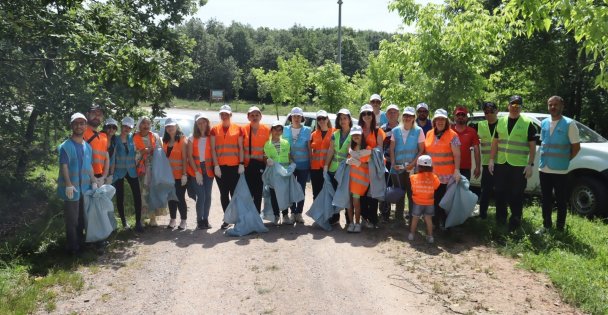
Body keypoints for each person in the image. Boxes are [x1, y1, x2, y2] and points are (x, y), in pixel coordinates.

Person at [489, 95, 537, 232]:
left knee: (516, 194)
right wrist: (492, 159)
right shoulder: (501, 122)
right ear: (508, 106)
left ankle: (515, 221)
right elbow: (495, 143)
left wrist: (530, 164)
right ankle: (500, 220)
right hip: (501, 163)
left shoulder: (528, 124)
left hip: (519, 166)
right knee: (499, 192)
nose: (515, 108)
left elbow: (532, 147)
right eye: (513, 105)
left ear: (521, 107)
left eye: (518, 106)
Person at [537, 96, 580, 233]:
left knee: (561, 200)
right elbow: (544, 143)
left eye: (555, 105)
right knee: (546, 199)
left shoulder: (569, 124)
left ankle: (560, 228)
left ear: (562, 106)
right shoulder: (544, 123)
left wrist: (565, 160)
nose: (553, 107)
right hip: (544, 167)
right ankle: (546, 225)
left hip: (560, 169)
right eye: (550, 105)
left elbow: (576, 147)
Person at [57, 113, 96, 255]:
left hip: (84, 188)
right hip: (71, 189)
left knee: (81, 218)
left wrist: (94, 181)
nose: (79, 126)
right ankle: (72, 248)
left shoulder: (87, 147)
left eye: (82, 123)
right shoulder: (65, 146)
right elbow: (64, 166)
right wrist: (68, 184)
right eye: (76, 123)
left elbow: (89, 166)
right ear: (72, 126)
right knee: (72, 220)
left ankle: (80, 242)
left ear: (86, 126)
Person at [425, 108, 461, 230]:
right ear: (434, 121)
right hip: (432, 175)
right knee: (433, 200)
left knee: (444, 201)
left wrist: (457, 170)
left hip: (446, 176)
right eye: (438, 119)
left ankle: (444, 223)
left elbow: (457, 154)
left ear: (447, 121)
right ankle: (435, 223)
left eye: (443, 119)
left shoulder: (453, 135)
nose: (440, 121)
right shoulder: (429, 133)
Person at [211, 104, 245, 229]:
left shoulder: (238, 129)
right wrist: (216, 165)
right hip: (220, 168)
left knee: (234, 194)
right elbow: (213, 149)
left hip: (234, 167)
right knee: (223, 194)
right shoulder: (214, 129)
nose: (224, 116)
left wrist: (241, 163)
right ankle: (227, 218)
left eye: (226, 114)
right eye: (222, 114)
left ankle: (236, 218)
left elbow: (241, 147)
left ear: (231, 115)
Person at [389, 106, 425, 222]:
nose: (407, 118)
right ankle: (398, 219)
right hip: (397, 168)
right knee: (399, 194)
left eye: (410, 116)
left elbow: (421, 150)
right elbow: (392, 148)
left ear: (414, 118)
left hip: (412, 169)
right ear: (402, 117)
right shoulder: (395, 130)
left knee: (411, 194)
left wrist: (413, 164)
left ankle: (412, 219)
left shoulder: (419, 131)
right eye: (405, 115)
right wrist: (393, 162)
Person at [109, 117, 143, 232]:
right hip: (119, 172)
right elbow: (112, 156)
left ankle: (138, 222)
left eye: (129, 127)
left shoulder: (132, 138)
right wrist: (111, 173)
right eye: (125, 126)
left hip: (132, 171)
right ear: (121, 126)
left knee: (137, 195)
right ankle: (124, 222)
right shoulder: (115, 139)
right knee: (120, 197)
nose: (126, 129)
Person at [358, 104, 386, 228]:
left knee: (373, 193)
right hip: (360, 166)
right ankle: (364, 218)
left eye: (369, 113)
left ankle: (373, 219)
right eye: (364, 114)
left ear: (372, 115)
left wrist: (370, 151)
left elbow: (380, 148)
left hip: (373, 166)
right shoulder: (357, 129)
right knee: (362, 193)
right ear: (361, 116)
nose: (367, 116)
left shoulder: (377, 130)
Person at [324, 108, 353, 225]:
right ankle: (335, 216)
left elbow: (351, 152)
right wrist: (326, 166)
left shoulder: (353, 134)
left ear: (349, 120)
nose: (343, 121)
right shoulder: (335, 134)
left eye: (345, 118)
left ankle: (348, 218)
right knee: (334, 194)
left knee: (345, 194)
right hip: (333, 169)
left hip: (346, 170)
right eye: (341, 119)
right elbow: (331, 150)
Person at [133, 116, 163, 227]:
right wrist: (142, 152)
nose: (146, 126)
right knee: (142, 194)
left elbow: (161, 152)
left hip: (154, 169)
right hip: (141, 170)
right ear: (139, 125)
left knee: (153, 193)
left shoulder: (155, 136)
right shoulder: (134, 137)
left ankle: (153, 218)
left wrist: (154, 152)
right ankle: (141, 218)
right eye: (143, 123)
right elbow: (132, 154)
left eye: (148, 123)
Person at [283, 107, 311, 224]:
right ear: (291, 117)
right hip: (289, 165)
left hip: (303, 165)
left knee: (300, 189)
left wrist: (311, 163)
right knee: (290, 188)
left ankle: (299, 213)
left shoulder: (307, 130)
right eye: (294, 116)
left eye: (298, 116)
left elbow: (309, 149)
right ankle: (292, 212)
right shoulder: (285, 130)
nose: (296, 118)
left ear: (302, 118)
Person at [187, 113, 215, 230]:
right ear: (196, 125)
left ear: (207, 123)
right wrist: (196, 172)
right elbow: (189, 156)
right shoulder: (191, 138)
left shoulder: (211, 137)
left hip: (208, 170)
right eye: (199, 123)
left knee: (208, 196)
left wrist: (217, 166)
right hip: (196, 170)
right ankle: (199, 220)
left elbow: (214, 152)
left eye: (204, 122)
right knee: (201, 196)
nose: (202, 125)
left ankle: (205, 219)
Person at [264, 121, 294, 225]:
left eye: (279, 129)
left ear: (282, 131)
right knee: (274, 194)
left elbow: (289, 157)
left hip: (284, 173)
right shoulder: (267, 144)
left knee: (284, 194)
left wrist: (292, 165)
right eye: (275, 129)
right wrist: (267, 160)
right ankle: (276, 215)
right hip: (273, 173)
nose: (277, 131)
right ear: (271, 130)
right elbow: (265, 157)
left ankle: (285, 215)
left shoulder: (286, 143)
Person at [162, 118, 189, 230]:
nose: (170, 128)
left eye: (172, 126)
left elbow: (184, 158)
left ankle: (183, 221)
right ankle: (172, 219)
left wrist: (184, 174)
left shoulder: (182, 139)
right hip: (168, 176)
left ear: (176, 126)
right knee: (170, 198)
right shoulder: (165, 141)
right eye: (168, 126)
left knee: (179, 198)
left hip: (179, 176)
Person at [243, 106, 270, 213]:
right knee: (248, 192)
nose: (254, 117)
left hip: (260, 165)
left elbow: (268, 148)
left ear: (261, 116)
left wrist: (268, 161)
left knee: (258, 192)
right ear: (248, 117)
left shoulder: (267, 130)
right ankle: (248, 216)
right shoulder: (243, 129)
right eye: (252, 115)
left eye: (257, 115)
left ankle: (256, 215)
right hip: (247, 165)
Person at [474, 102, 499, 219]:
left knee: (501, 191)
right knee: (485, 190)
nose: (488, 114)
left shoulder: (502, 124)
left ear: (496, 111)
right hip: (486, 162)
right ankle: (482, 215)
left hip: (501, 162)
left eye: (491, 111)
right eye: (486, 112)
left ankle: (500, 217)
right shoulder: (480, 124)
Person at [408, 155, 440, 244]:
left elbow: (412, 186)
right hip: (429, 202)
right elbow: (436, 186)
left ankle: (411, 234)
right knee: (428, 219)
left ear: (418, 166)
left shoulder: (414, 177)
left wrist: (411, 171)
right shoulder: (434, 177)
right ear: (431, 166)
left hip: (417, 202)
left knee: (415, 218)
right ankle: (430, 237)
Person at [346, 125, 372, 233]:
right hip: (349, 181)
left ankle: (357, 223)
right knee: (349, 203)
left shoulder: (368, 149)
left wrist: (359, 163)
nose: (356, 136)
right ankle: (351, 223)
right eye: (353, 135)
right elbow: (347, 162)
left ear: (362, 135)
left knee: (356, 203)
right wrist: (347, 162)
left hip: (359, 182)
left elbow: (370, 166)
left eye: (358, 134)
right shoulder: (350, 149)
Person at [380, 104, 402, 222]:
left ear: (398, 114)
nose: (392, 114)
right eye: (390, 112)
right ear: (386, 115)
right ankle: (385, 214)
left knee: (398, 188)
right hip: (385, 163)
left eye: (394, 112)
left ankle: (399, 216)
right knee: (385, 187)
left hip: (399, 164)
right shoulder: (382, 129)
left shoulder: (403, 128)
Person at [451, 106, 481, 181]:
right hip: (450, 167)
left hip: (466, 168)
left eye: (463, 115)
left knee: (464, 191)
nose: (460, 117)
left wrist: (477, 167)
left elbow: (476, 150)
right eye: (458, 115)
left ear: (466, 117)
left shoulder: (472, 132)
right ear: (454, 117)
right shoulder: (449, 130)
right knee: (450, 191)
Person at [84, 103, 110, 187]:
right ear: (87, 114)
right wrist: (93, 178)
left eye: (100, 115)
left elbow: (106, 158)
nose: (97, 117)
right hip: (85, 176)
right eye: (94, 113)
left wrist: (104, 177)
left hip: (100, 178)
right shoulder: (81, 133)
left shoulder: (104, 136)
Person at [310, 110, 334, 199]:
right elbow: (309, 150)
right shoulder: (313, 135)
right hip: (315, 168)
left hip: (329, 168)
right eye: (319, 119)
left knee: (328, 193)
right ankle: (316, 212)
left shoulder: (334, 132)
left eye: (323, 118)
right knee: (316, 193)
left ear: (327, 119)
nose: (321, 120)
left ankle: (327, 213)